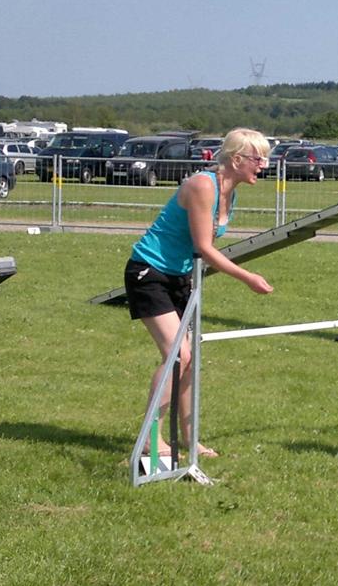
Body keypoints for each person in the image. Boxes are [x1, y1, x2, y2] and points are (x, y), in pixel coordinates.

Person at [125, 127, 274, 459]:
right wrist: (247, 277)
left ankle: (189, 440)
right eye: (258, 158)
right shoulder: (202, 186)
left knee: (190, 362)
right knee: (179, 356)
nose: (263, 165)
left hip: (179, 277)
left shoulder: (229, 192)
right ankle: (151, 438)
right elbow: (204, 248)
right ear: (237, 159)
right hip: (149, 273)